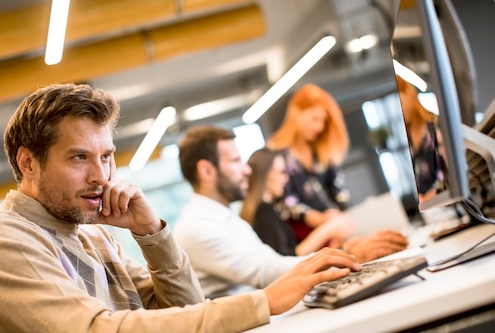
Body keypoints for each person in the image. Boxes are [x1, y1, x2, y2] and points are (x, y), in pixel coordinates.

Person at [0, 83, 363, 333]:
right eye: (80, 158)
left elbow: (185, 311)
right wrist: (263, 303)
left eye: (106, 156)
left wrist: (152, 234)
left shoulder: (89, 234)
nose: (101, 176)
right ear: (28, 163)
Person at [173, 125, 407, 299]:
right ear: (206, 170)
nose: (246, 170)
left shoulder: (224, 217)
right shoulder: (197, 226)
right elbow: (265, 273)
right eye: (235, 161)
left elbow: (272, 262)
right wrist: (344, 254)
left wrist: (340, 254)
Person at [266, 83, 351, 242]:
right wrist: (320, 219)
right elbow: (286, 202)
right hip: (297, 237)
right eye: (314, 119)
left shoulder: (321, 152)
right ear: (296, 112)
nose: (319, 127)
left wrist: (339, 216)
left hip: (326, 231)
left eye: (323, 121)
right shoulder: (275, 154)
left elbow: (340, 192)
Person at [240, 147, 356, 256]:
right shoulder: (263, 213)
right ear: (265, 174)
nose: (286, 178)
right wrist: (327, 229)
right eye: (281, 172)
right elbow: (289, 257)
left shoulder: (268, 209)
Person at [395, 75, 446, 202]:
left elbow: (450, 170)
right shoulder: (407, 137)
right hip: (431, 207)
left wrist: (432, 195)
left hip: (447, 199)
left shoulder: (436, 125)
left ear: (408, 95)